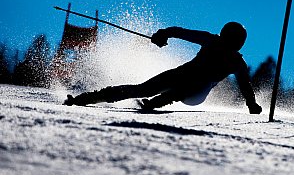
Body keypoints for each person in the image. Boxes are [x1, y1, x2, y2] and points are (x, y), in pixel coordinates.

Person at [64, 22, 262, 114]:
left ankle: (159, 101)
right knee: (141, 88)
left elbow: (245, 86)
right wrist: (163, 34)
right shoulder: (212, 41)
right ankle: (86, 98)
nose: (229, 46)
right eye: (230, 40)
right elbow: (180, 32)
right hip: (183, 74)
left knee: (192, 83)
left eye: (234, 42)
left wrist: (251, 104)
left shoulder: (237, 62)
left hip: (197, 93)